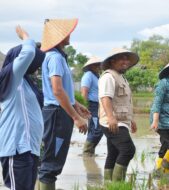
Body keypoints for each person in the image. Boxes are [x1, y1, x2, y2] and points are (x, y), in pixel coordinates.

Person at [38, 19, 90, 190]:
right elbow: (57, 91)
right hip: (57, 114)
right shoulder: (54, 58)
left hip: (59, 112)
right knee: (51, 164)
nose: (70, 35)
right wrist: (76, 118)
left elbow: (63, 90)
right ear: (59, 37)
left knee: (52, 160)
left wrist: (76, 105)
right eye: (66, 32)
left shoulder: (59, 57)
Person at [0, 26, 45, 190]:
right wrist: (25, 36)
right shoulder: (11, 79)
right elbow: (28, 54)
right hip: (15, 148)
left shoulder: (26, 83)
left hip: (29, 149)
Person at [99, 48, 139, 181]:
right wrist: (111, 117)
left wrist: (130, 120)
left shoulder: (121, 77)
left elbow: (124, 101)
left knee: (114, 152)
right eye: (122, 58)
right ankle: (117, 185)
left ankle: (109, 184)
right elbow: (105, 98)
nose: (125, 61)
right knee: (128, 150)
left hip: (121, 121)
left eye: (127, 59)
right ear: (112, 61)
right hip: (112, 121)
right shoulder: (108, 77)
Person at [81, 56, 103, 156]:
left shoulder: (98, 76)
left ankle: (90, 151)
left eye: (99, 64)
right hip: (92, 105)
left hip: (99, 105)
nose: (98, 66)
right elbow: (84, 92)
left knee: (99, 128)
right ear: (91, 66)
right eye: (96, 65)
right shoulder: (88, 75)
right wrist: (84, 108)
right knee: (96, 129)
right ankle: (87, 151)